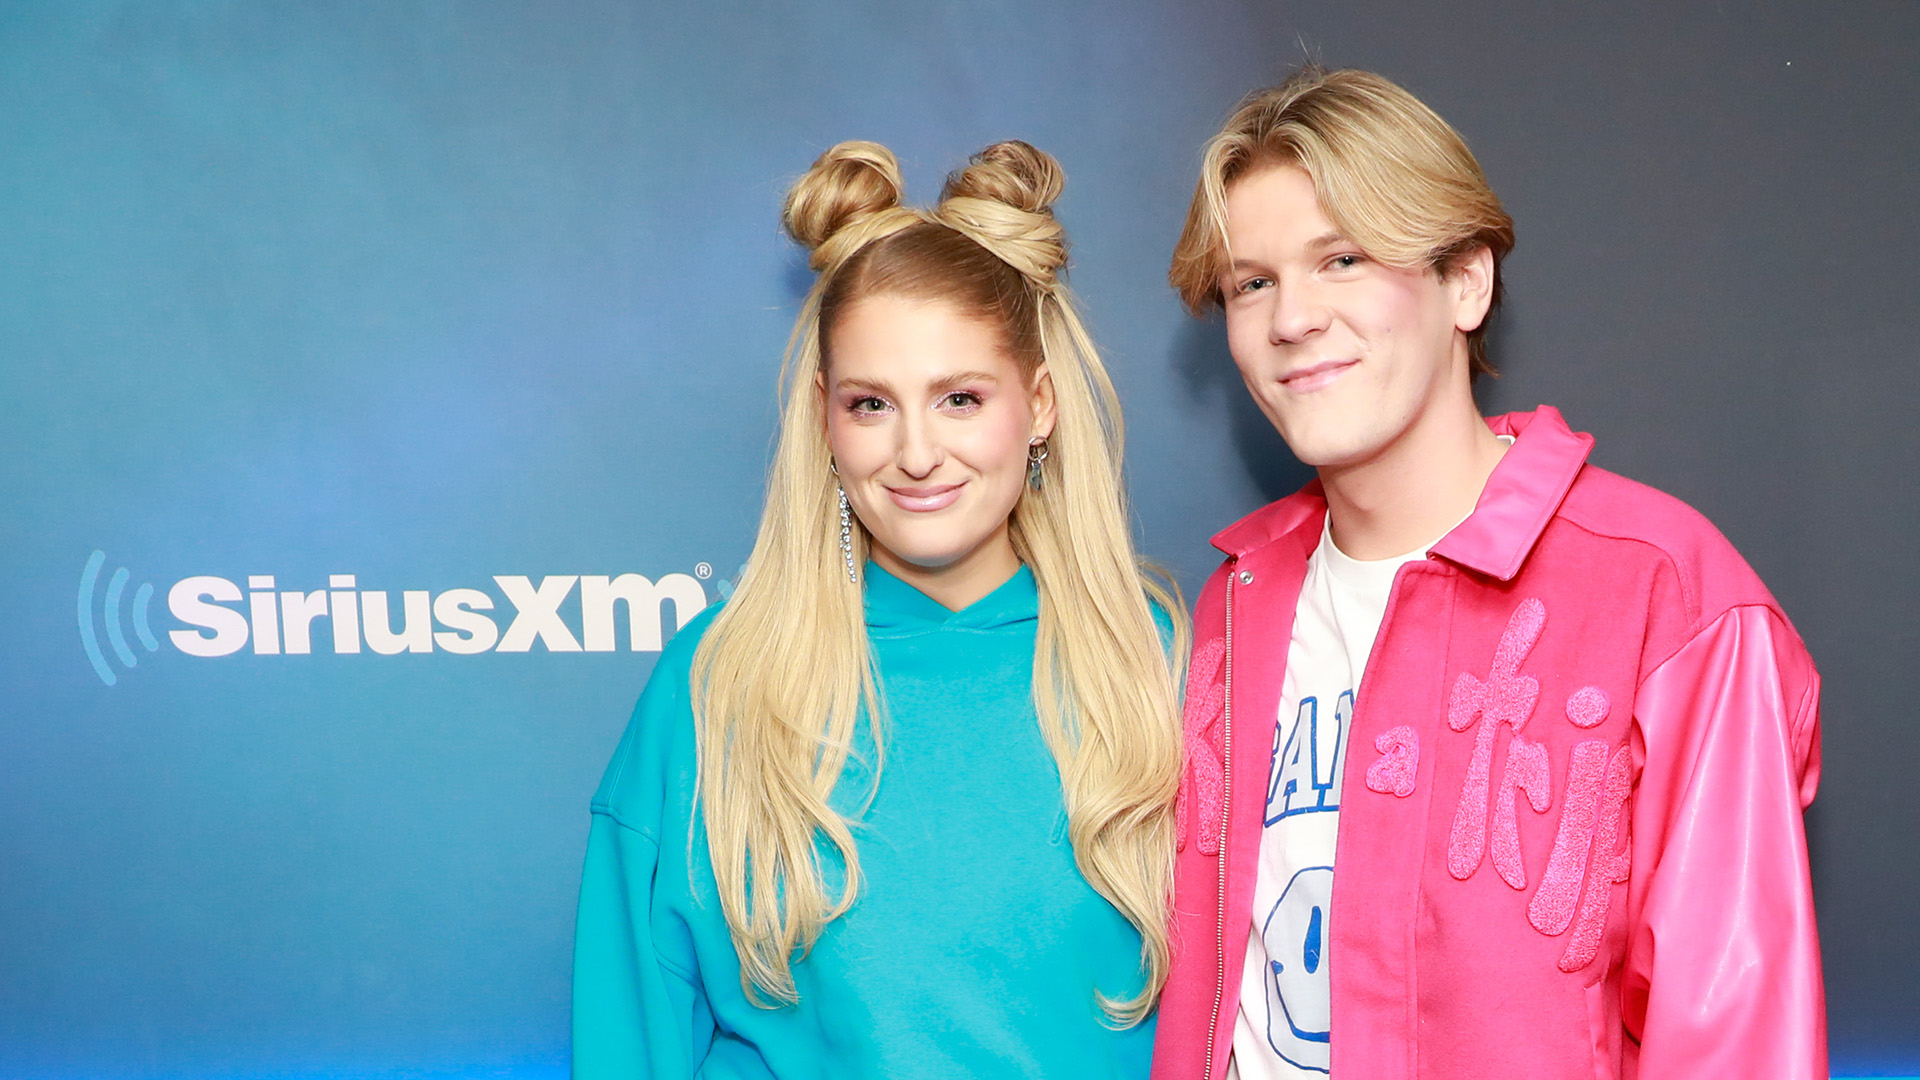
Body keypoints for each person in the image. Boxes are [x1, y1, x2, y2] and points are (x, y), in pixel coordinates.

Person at [1150, 68, 1824, 1080]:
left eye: (1343, 259)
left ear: (1466, 280)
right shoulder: (1234, 604)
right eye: (1253, 282)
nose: (1292, 318)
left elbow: (1736, 1043)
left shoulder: (1669, 598)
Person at [572, 139, 1188, 1079]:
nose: (916, 453)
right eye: (871, 404)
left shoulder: (1166, 667)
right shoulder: (715, 683)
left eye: (960, 399)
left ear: (1041, 404)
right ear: (824, 417)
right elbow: (630, 1037)